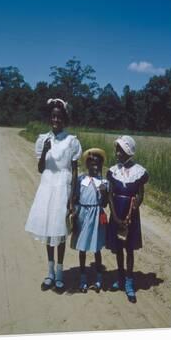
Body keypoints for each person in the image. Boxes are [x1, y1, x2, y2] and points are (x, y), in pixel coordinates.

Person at [25, 98, 82, 293]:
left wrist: (73, 196)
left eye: (59, 117)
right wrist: (45, 152)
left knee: (60, 231)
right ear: (50, 118)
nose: (56, 119)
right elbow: (41, 168)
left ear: (64, 119)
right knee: (49, 232)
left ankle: (60, 272)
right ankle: (49, 272)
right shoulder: (43, 139)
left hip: (62, 189)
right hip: (47, 187)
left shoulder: (71, 141)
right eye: (53, 116)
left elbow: (74, 170)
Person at [106, 135, 148, 303]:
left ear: (128, 151)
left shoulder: (139, 171)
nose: (117, 153)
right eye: (117, 149)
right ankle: (120, 277)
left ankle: (130, 282)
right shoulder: (113, 171)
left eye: (121, 150)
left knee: (129, 248)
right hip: (117, 211)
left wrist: (134, 208)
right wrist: (115, 217)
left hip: (131, 215)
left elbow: (140, 195)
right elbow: (110, 195)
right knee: (118, 248)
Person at [71, 149, 108, 293]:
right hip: (83, 215)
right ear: (87, 164)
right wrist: (73, 212)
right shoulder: (81, 179)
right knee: (83, 248)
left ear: (101, 165)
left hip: (97, 215)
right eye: (91, 163)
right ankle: (83, 278)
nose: (94, 166)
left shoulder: (104, 182)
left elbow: (104, 203)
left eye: (97, 164)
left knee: (96, 248)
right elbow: (75, 197)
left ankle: (99, 279)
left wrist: (104, 192)